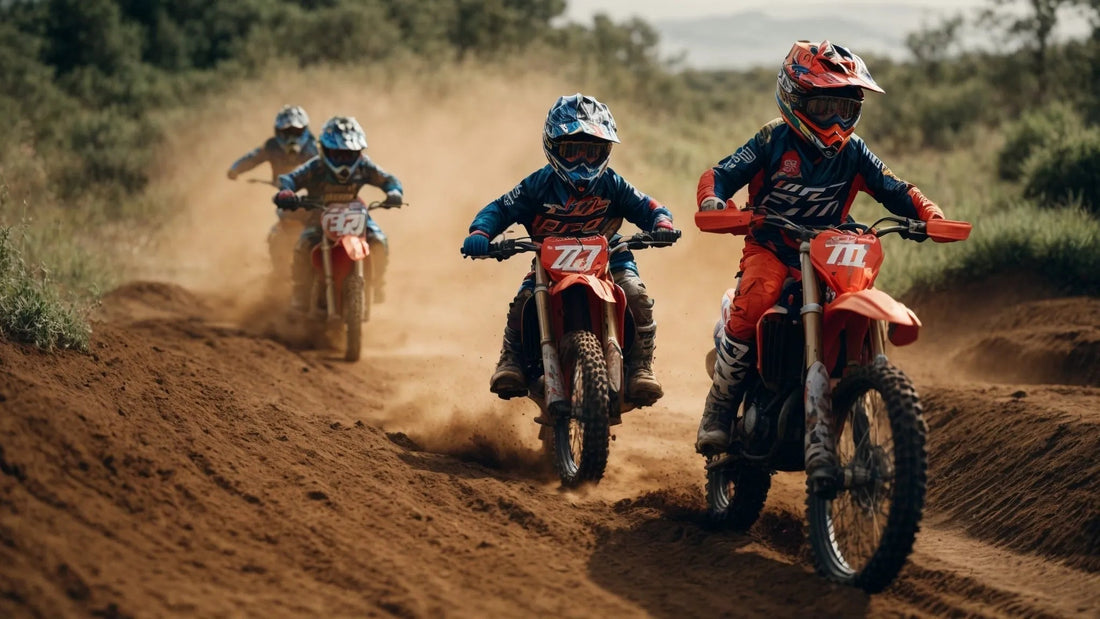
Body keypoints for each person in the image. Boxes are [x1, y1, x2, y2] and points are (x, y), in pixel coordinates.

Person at [693, 41, 946, 474]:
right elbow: (719, 174)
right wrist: (715, 201)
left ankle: (856, 380)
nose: (835, 119)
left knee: (858, 296)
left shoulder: (854, 151)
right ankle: (719, 408)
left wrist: (928, 213)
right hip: (773, 248)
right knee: (755, 301)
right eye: (824, 104)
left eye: (844, 107)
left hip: (831, 252)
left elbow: (895, 188)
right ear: (795, 98)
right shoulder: (773, 139)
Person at [460, 93, 675, 406]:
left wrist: (661, 223)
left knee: (636, 295)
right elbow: (499, 208)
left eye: (593, 151)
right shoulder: (537, 185)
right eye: (573, 151)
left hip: (609, 254)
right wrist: (481, 232)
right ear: (553, 147)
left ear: (606, 151)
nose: (584, 161)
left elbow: (648, 205)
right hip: (549, 261)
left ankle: (641, 366)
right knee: (524, 301)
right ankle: (511, 360)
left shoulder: (613, 184)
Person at [273, 116, 403, 309]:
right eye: (337, 153)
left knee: (379, 240)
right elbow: (289, 179)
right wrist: (286, 192)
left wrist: (393, 192)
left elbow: (388, 179)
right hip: (319, 215)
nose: (344, 159)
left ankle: (377, 284)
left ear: (359, 152)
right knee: (304, 243)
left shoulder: (364, 165)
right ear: (325, 150)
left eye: (350, 154)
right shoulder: (316, 166)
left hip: (356, 214)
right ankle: (300, 289)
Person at [227, 105, 319, 272]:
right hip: (286, 198)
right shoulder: (272, 147)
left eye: (296, 132)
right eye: (287, 132)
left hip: (313, 198)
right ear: (278, 132)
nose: (292, 137)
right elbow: (253, 158)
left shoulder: (316, 149)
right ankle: (280, 273)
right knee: (277, 233)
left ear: (305, 130)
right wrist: (236, 169)